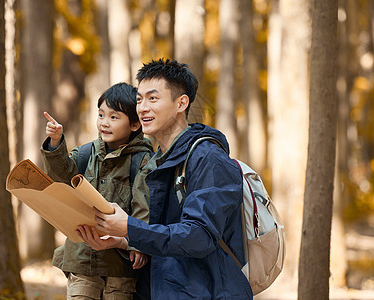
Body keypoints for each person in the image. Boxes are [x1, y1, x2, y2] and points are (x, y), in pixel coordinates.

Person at [77, 58, 253, 299]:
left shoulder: (208, 159)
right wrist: (122, 240)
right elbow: (162, 235)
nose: (143, 107)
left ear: (181, 103)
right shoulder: (157, 161)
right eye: (139, 99)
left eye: (153, 98)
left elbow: (198, 237)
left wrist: (129, 226)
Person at [41, 82, 153, 300]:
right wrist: (56, 143)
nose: (104, 123)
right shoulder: (85, 154)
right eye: (101, 115)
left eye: (114, 117)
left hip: (120, 266)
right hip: (82, 260)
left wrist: (138, 244)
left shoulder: (142, 160)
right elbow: (60, 178)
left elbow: (143, 207)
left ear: (134, 125)